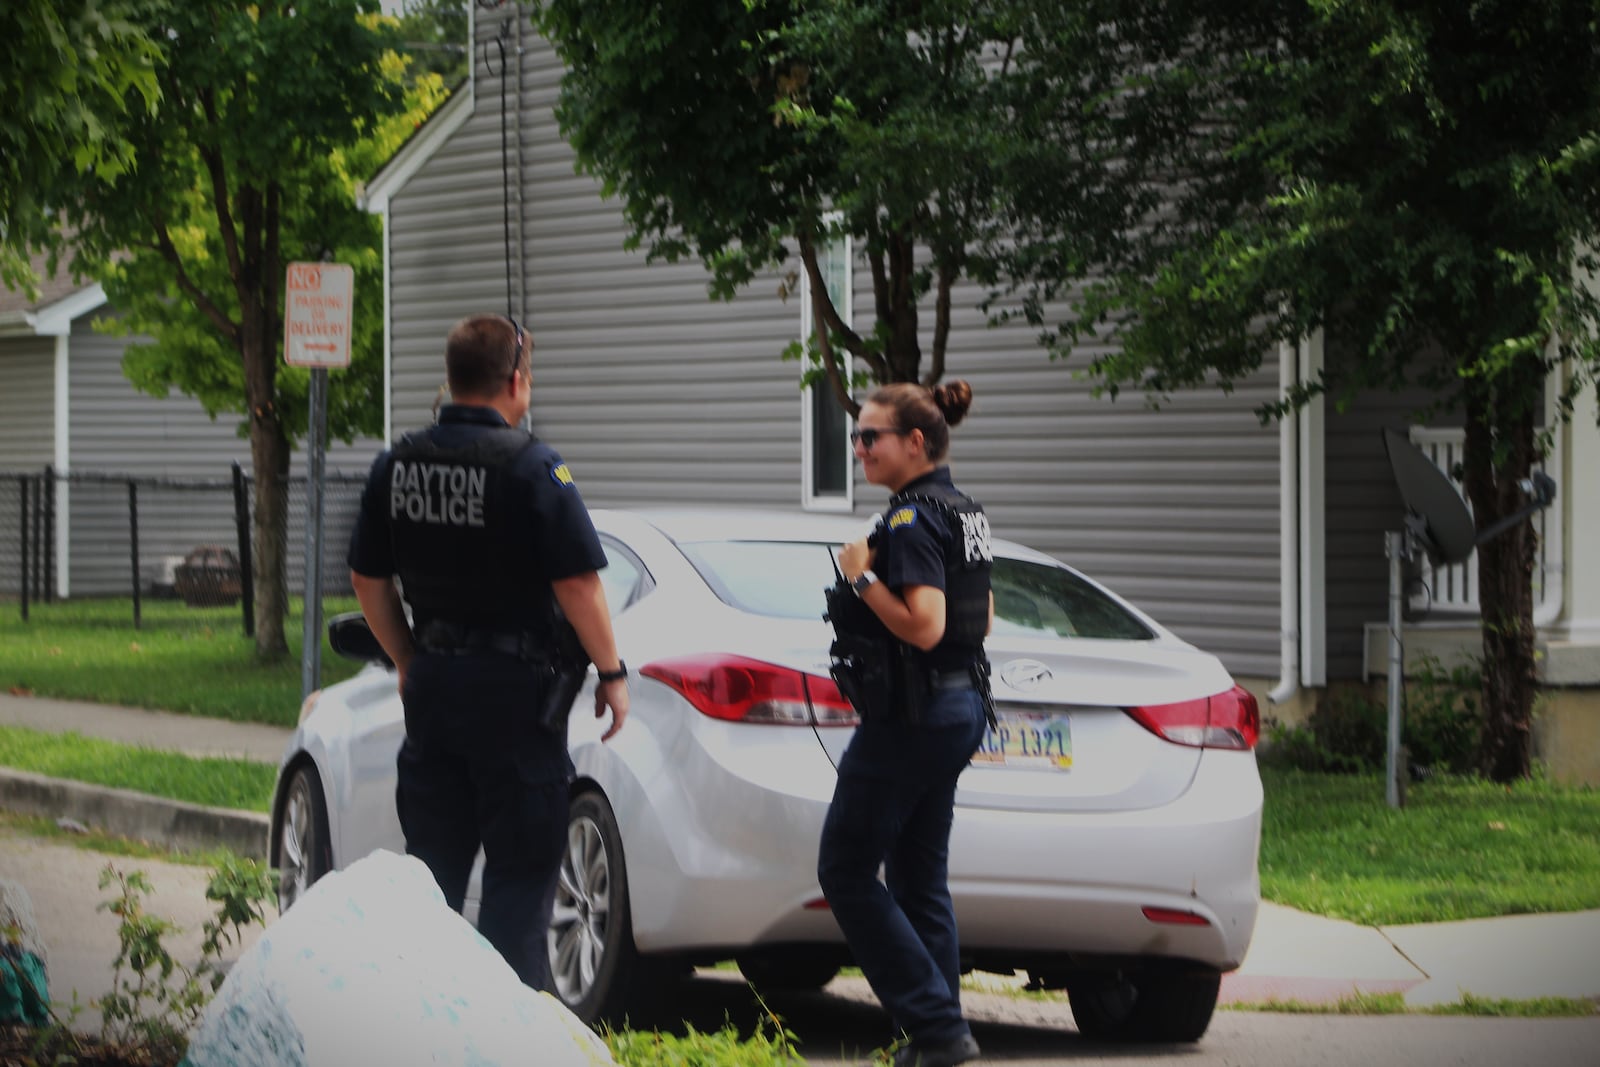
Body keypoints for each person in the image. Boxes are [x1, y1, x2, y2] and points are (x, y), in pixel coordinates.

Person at [346, 313, 629, 992]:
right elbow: (579, 583)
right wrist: (613, 672)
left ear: (451, 379)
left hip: (436, 686)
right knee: (520, 873)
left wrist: (410, 658)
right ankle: (501, 1040)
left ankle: (419, 1029)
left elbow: (367, 579)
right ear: (516, 381)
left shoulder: (398, 462)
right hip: (514, 693)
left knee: (432, 870)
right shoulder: (533, 466)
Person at [818, 380, 993, 1067]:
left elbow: (927, 625)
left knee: (846, 867)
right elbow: (983, 617)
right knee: (919, 877)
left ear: (914, 442)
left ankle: (936, 1026)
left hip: (914, 714)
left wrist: (862, 578)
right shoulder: (965, 509)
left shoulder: (911, 519)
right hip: (957, 706)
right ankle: (936, 1038)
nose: (858, 447)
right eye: (856, 436)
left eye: (871, 437)